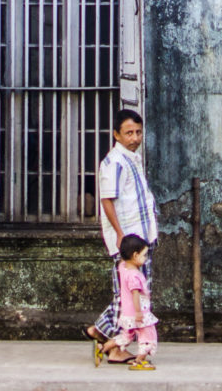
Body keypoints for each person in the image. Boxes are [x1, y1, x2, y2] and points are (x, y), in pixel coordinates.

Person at [84, 109, 157, 365]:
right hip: (128, 242)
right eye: (128, 133)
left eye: (138, 132)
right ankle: (111, 345)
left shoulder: (131, 159)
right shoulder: (115, 161)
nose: (134, 138)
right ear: (116, 134)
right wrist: (120, 235)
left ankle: (101, 332)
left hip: (140, 239)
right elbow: (107, 200)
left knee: (134, 293)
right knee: (129, 294)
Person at [98, 234, 157, 370]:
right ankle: (139, 361)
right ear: (135, 255)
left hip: (127, 314)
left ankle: (102, 348)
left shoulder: (123, 267)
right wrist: (138, 312)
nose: (145, 258)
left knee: (126, 336)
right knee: (148, 336)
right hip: (139, 313)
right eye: (144, 255)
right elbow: (135, 295)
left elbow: (123, 261)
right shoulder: (134, 276)